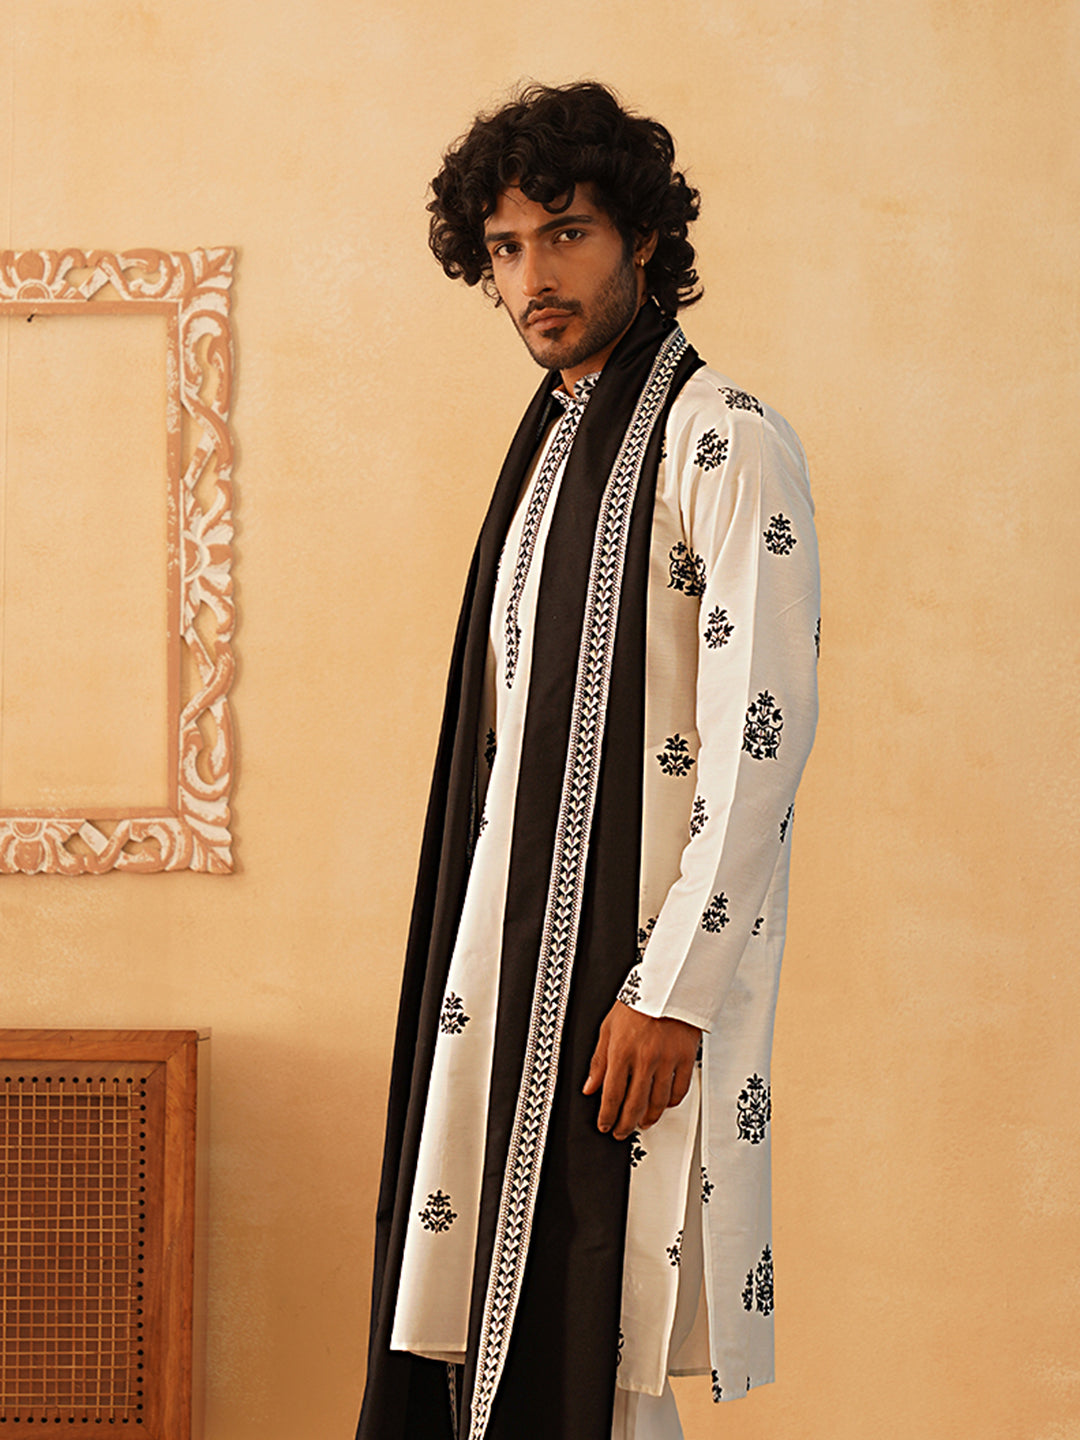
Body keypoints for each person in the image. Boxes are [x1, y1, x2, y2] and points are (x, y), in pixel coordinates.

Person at [356, 81, 819, 1440]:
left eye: (565, 233)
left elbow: (761, 739)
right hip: (504, 963)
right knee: (508, 1338)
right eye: (505, 248)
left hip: (628, 975)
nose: (533, 278)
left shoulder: (721, 439)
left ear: (642, 239)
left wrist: (672, 993)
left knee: (603, 1329)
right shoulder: (554, 447)